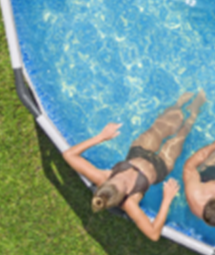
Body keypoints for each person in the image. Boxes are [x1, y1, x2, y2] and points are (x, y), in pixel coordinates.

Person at [62, 91, 206, 241]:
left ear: (108, 181)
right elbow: (153, 235)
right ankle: (195, 111)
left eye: (119, 178)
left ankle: (178, 104)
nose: (125, 176)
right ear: (124, 195)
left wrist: (101, 137)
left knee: (166, 122)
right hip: (160, 167)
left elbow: (68, 155)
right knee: (181, 134)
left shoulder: (102, 177)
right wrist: (167, 200)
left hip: (140, 151)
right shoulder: (130, 203)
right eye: (125, 183)